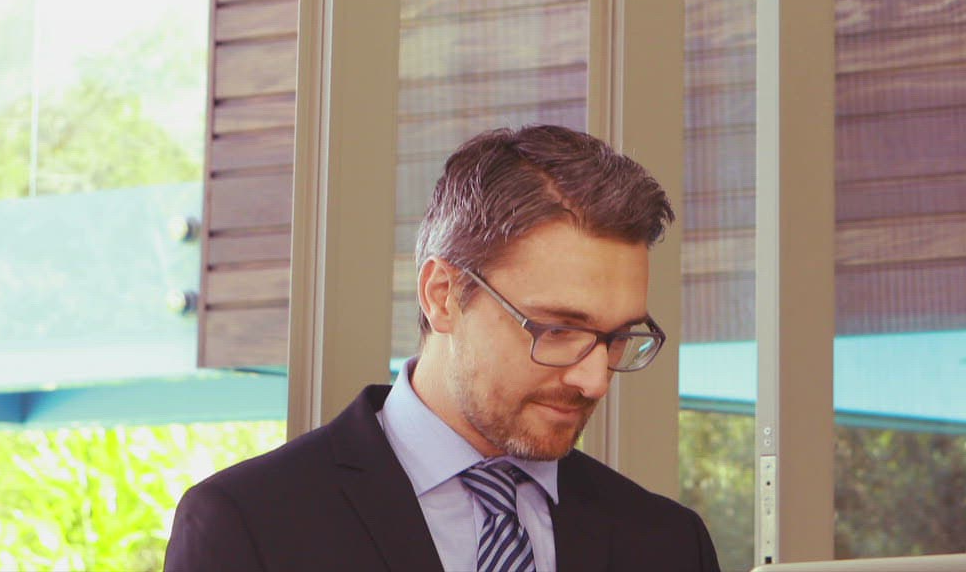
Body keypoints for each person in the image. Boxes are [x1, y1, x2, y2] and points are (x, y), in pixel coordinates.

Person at [164, 124, 719, 572]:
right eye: (558, 330)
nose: (594, 381)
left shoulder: (670, 545)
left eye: (618, 338)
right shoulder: (250, 525)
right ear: (442, 296)